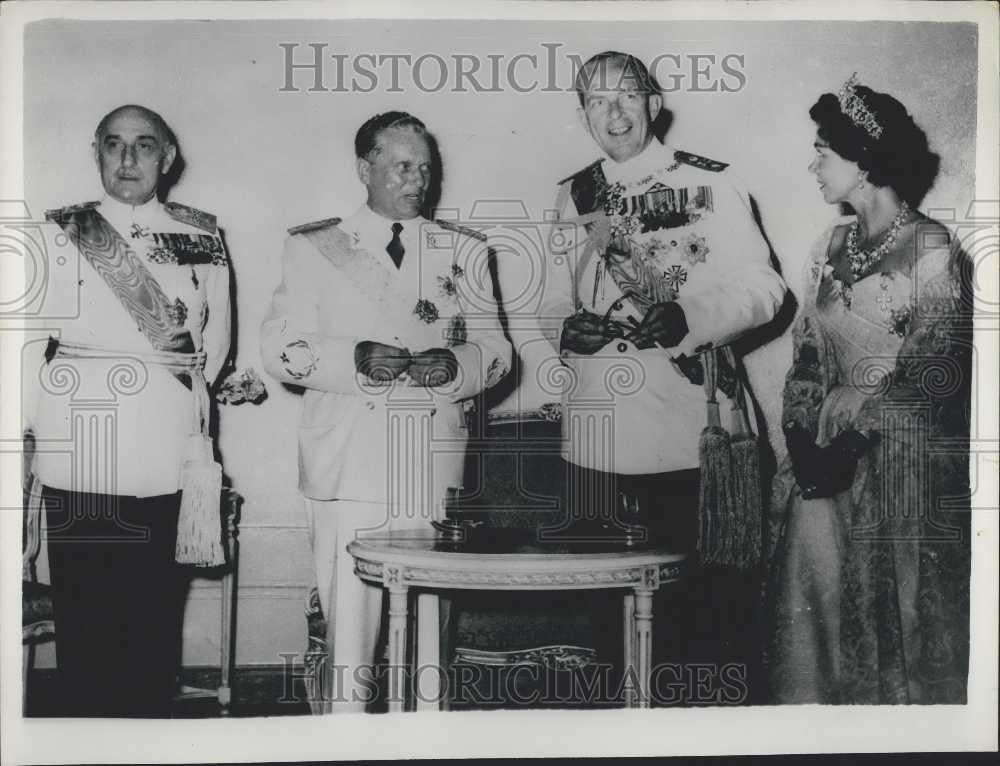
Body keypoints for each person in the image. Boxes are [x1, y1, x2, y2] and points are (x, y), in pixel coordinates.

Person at [539, 51, 786, 692]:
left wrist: (689, 316)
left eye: (627, 96)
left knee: (699, 615)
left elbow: (766, 290)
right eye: (597, 101)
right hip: (597, 433)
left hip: (687, 428)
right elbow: (552, 300)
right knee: (605, 621)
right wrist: (563, 329)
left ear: (653, 103)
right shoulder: (572, 194)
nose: (614, 113)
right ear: (583, 115)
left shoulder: (712, 182)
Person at [260, 111, 511, 713]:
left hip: (431, 463)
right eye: (401, 166)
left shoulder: (464, 250)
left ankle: (425, 737)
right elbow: (278, 348)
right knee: (351, 632)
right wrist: (351, 358)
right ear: (364, 168)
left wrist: (457, 365)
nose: (416, 180)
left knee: (429, 637)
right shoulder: (313, 247)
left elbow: (498, 353)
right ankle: (347, 740)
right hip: (349, 461)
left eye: (424, 168)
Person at [765, 74, 971, 704]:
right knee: (815, 619)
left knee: (898, 619)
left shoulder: (932, 246)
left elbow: (935, 371)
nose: (813, 166)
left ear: (862, 160)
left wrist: (853, 447)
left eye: (823, 152)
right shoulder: (828, 245)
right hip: (826, 453)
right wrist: (804, 442)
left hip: (897, 459)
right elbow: (806, 356)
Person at [25, 105, 232, 715]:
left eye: (143, 145)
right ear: (97, 152)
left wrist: (181, 407)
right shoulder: (58, 233)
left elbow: (214, 345)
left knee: (152, 623)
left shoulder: (202, 237)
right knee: (86, 624)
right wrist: (28, 433)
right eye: (114, 144)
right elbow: (28, 342)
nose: (127, 158)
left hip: (165, 451)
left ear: (167, 157)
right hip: (80, 447)